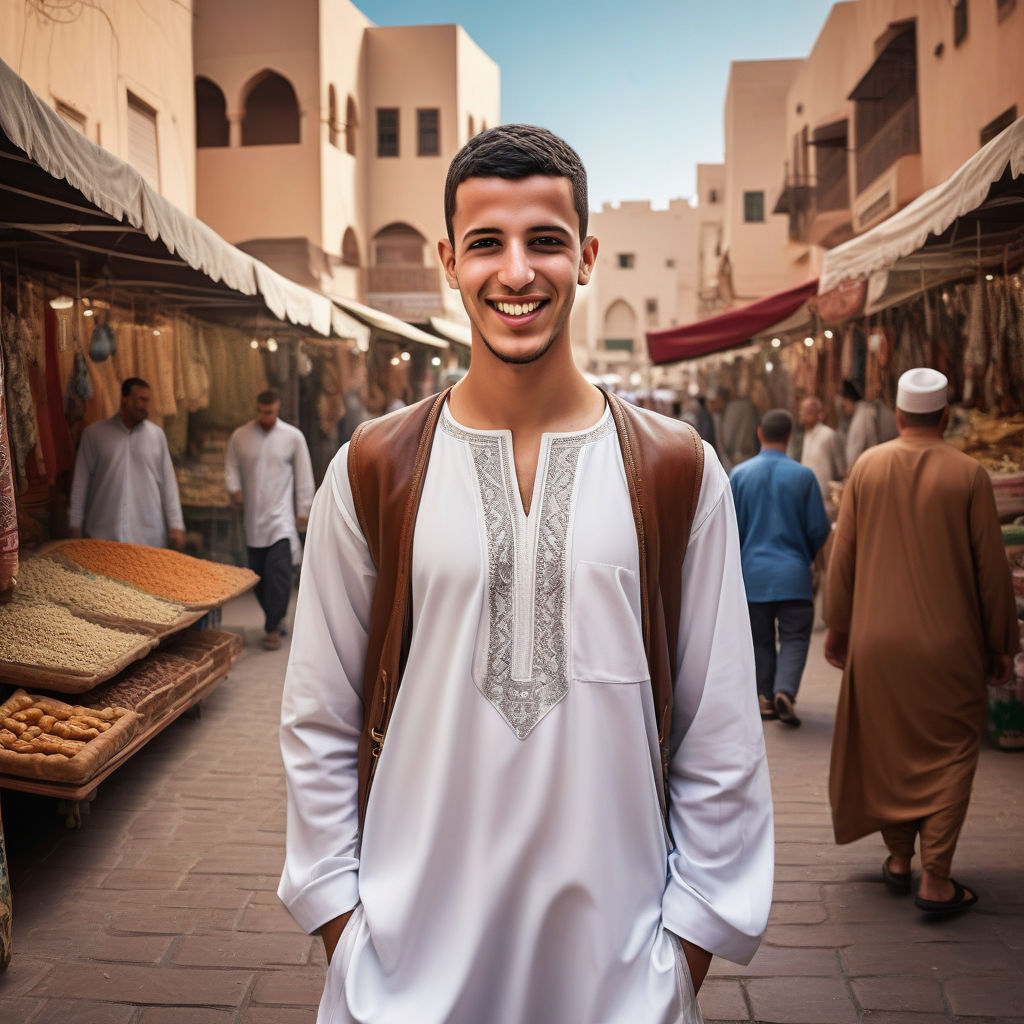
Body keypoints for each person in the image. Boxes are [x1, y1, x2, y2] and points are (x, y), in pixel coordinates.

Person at [278, 124, 773, 1024]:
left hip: (619, 984)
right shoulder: (374, 467)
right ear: (447, 260)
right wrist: (342, 931)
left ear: (585, 257)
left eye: (544, 241)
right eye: (486, 244)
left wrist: (684, 955)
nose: (515, 272)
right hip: (401, 981)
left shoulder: (679, 470)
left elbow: (722, 727)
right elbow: (319, 714)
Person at [825, 367, 1017, 916]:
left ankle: (899, 859)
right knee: (951, 752)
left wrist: (837, 625)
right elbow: (991, 570)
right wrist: (1002, 641)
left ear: (901, 415)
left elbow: (845, 557)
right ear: (947, 417)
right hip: (950, 646)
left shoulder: (868, 467)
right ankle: (936, 877)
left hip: (877, 641)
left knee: (890, 747)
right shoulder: (969, 474)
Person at [730, 409, 830, 726]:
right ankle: (785, 690)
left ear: (760, 433)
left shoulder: (740, 475)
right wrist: (804, 558)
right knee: (796, 637)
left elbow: (730, 529)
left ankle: (764, 698)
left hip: (752, 575)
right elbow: (818, 529)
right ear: (789, 436)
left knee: (759, 640)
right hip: (794, 575)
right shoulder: (804, 476)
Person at [225, 389, 314, 651]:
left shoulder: (292, 437)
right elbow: (231, 466)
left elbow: (304, 474)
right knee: (259, 577)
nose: (266, 417)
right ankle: (275, 616)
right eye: (262, 412)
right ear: (257, 408)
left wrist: (303, 509)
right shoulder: (240, 436)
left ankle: (272, 627)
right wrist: (234, 489)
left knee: (279, 574)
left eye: (271, 412)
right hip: (253, 519)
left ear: (278, 408)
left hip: (281, 519)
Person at [69, 377, 184, 549]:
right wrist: (74, 523)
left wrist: (176, 526)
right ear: (125, 400)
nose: (146, 406)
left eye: (148, 401)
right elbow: (80, 483)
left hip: (147, 537)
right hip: (102, 535)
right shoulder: (94, 435)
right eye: (141, 400)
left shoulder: (156, 436)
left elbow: (168, 484)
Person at [797, 395, 846, 520]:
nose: (802, 414)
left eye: (807, 411)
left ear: (819, 414)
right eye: (802, 410)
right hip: (806, 497)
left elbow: (841, 469)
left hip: (826, 501)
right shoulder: (806, 435)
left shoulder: (828, 434)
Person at [841, 379, 897, 470]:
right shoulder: (862, 413)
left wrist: (851, 474)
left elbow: (855, 451)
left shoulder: (862, 415)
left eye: (844, 405)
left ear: (849, 400)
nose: (844, 408)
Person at [719, 388, 760, 469]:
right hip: (751, 453)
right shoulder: (750, 406)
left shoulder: (733, 408)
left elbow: (728, 435)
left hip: (736, 456)